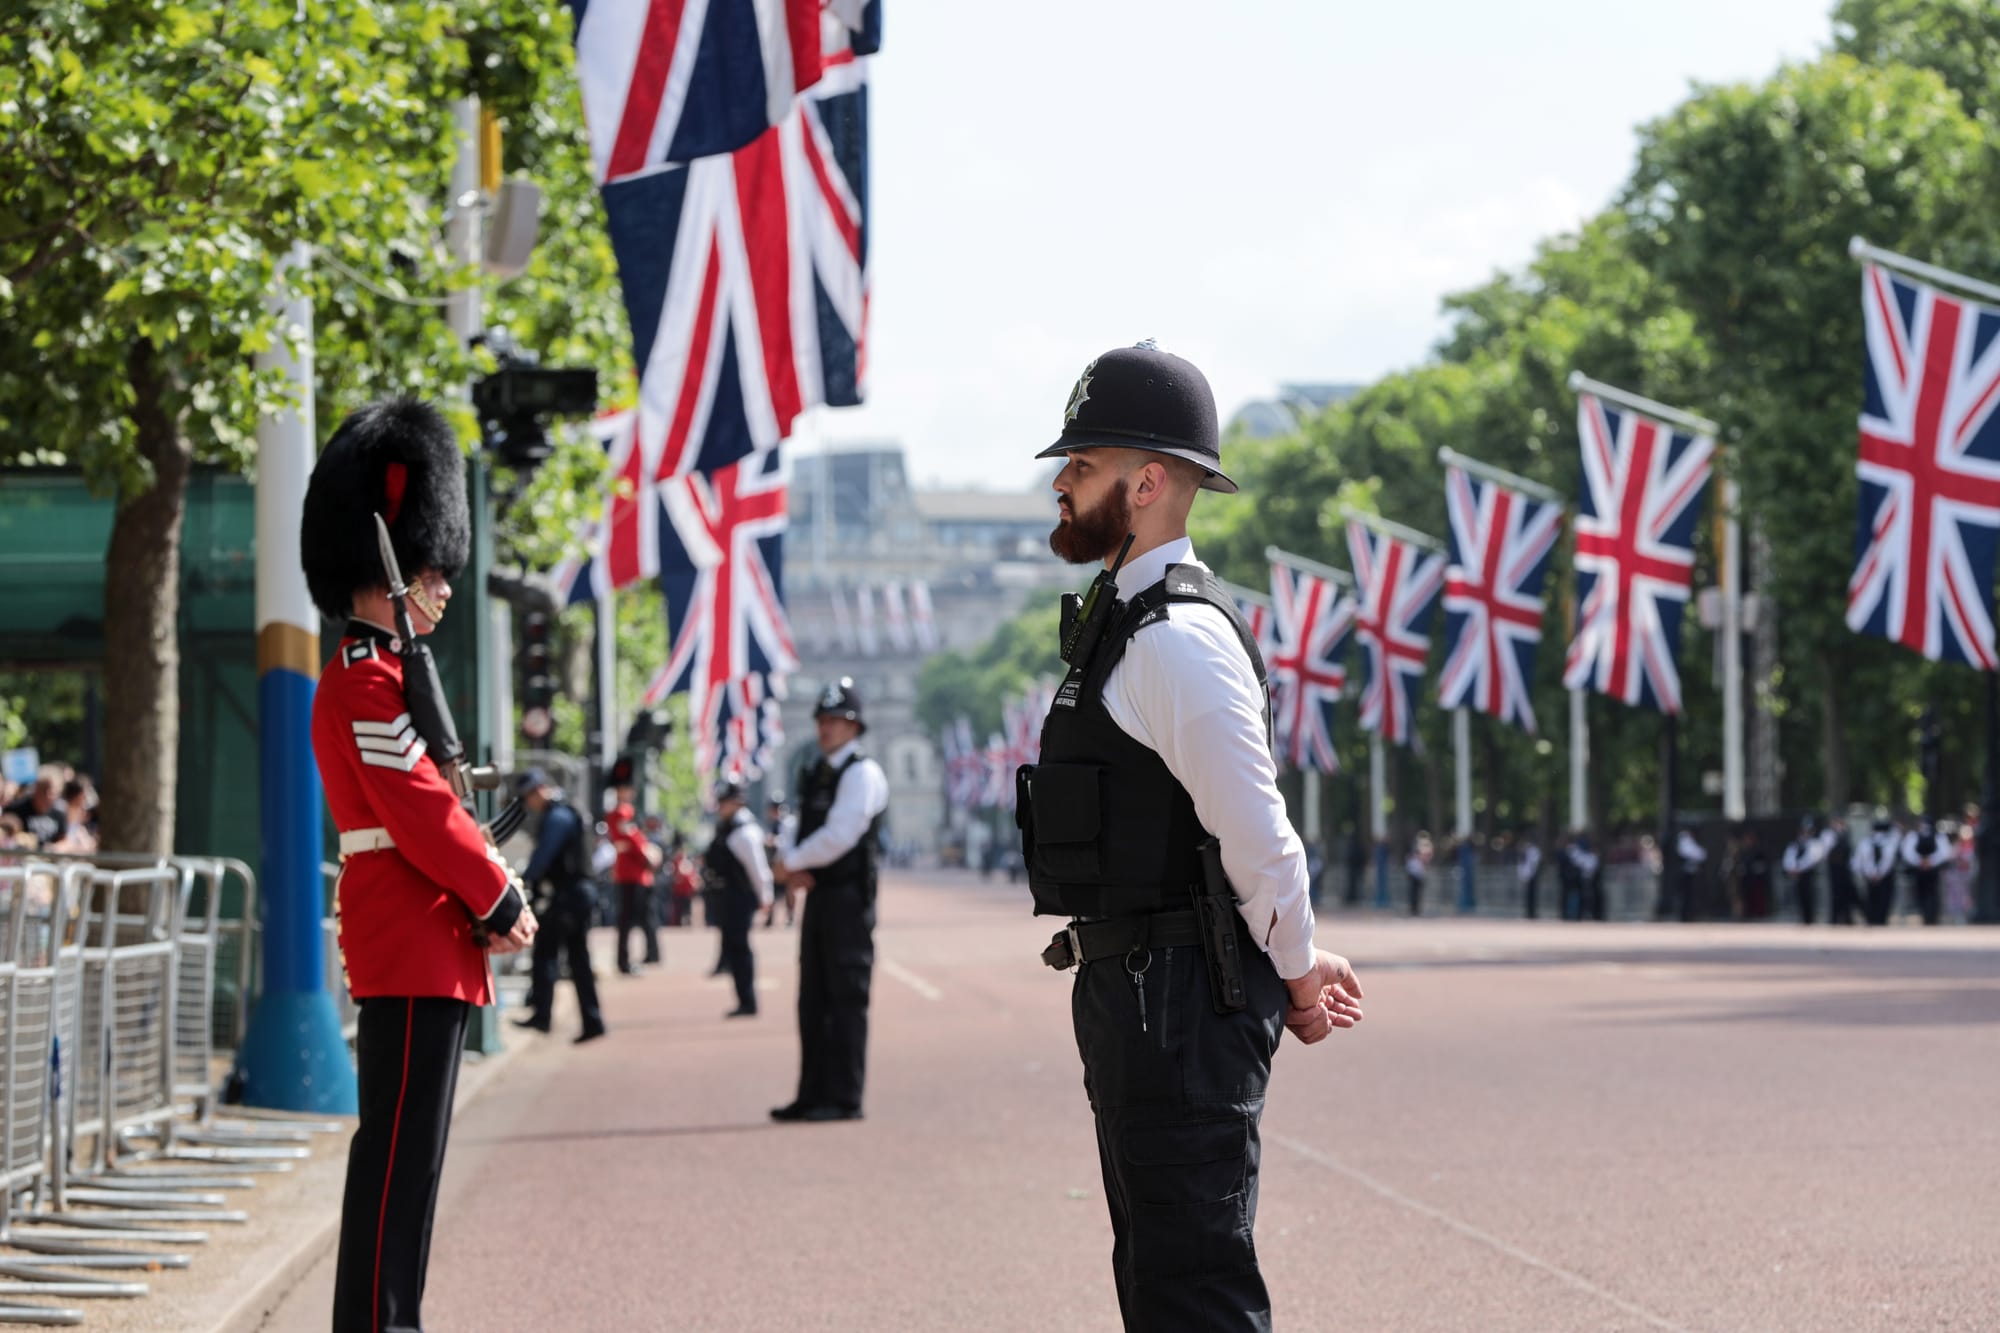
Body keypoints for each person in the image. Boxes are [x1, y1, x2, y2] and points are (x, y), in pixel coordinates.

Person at [1015, 342, 1364, 1331]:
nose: (1062, 484)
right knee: (1161, 1279)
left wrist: (1295, 964)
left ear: (1149, 481)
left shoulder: (1175, 637)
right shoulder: (1125, 623)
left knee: (1193, 1290)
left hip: (1174, 1000)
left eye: (1081, 466)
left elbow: (1257, 832)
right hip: (1140, 994)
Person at [300, 398, 537, 1333]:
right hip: (409, 937)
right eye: (429, 572)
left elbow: (437, 800)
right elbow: (420, 814)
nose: (440, 590)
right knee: (397, 1163)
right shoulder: (363, 678)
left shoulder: (387, 675)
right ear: (383, 574)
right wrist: (497, 891)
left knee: (413, 1167)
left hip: (427, 939)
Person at [769, 679, 890, 1122]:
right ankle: (812, 1092)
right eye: (822, 720)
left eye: (836, 721)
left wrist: (791, 863)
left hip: (847, 900)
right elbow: (802, 826)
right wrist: (790, 862)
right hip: (820, 897)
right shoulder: (815, 771)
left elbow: (841, 834)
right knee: (813, 999)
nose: (826, 728)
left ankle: (843, 1097)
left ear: (854, 726)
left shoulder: (862, 773)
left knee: (845, 998)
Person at [511, 769, 607, 1044]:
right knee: (577, 959)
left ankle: (543, 1015)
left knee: (546, 953)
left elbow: (544, 855)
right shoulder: (566, 810)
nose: (529, 803)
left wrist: (524, 879)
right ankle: (592, 1020)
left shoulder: (558, 815)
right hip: (576, 893)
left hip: (569, 895)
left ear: (538, 790)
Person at [704, 781, 774, 1017]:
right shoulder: (728, 826)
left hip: (739, 897)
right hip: (727, 896)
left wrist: (766, 897)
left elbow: (758, 868)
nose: (721, 807)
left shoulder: (744, 831)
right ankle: (744, 999)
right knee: (733, 948)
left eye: (725, 802)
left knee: (740, 948)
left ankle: (748, 1001)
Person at [605, 777, 660, 974]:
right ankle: (624, 961)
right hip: (629, 875)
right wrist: (647, 852)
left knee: (641, 917)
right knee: (627, 920)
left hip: (637, 874)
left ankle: (649, 954)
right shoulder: (620, 813)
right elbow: (630, 839)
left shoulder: (626, 812)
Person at [1900, 816, 1950, 926]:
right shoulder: (1913, 836)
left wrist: (1928, 862)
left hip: (1932, 871)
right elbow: (1908, 853)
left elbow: (1944, 853)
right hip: (1920, 871)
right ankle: (1927, 916)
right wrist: (1923, 862)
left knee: (1932, 894)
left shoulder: (1938, 836)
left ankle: (1932, 917)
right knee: (1923, 894)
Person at [2, 768, 65, 849]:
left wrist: (55, 848)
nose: (48, 795)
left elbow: (64, 840)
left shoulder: (58, 813)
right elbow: (6, 835)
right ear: (36, 788)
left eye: (53, 792)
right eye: (44, 790)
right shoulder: (16, 809)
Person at [1855, 817, 1901, 925]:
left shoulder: (1865, 842)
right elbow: (1888, 861)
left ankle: (1873, 921)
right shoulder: (1889, 842)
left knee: (1873, 901)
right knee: (1881, 903)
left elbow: (1860, 862)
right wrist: (1878, 874)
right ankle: (1878, 922)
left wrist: (1871, 873)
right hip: (1882, 877)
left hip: (1872, 877)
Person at [762, 792, 799, 928]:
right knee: (771, 888)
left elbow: (789, 842)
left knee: (790, 889)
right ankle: (770, 917)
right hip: (774, 861)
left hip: (787, 860)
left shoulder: (789, 822)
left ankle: (790, 916)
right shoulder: (772, 823)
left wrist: (775, 841)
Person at [1781, 818, 1825, 925]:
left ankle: (1811, 920)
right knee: (1800, 899)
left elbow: (1812, 859)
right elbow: (1788, 859)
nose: (1805, 834)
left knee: (1812, 899)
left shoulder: (1815, 844)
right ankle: (1804, 920)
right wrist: (1792, 869)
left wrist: (1798, 868)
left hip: (1810, 876)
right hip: (1797, 877)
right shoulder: (1795, 844)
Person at [1823, 818, 1859, 926]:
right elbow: (1827, 852)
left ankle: (1848, 918)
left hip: (1845, 871)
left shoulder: (1846, 835)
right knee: (1836, 896)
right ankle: (1835, 919)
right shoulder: (1828, 835)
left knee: (1848, 896)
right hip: (1835, 871)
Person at [1517, 833, 1542, 919]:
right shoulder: (1527, 851)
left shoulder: (1533, 851)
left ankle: (1532, 912)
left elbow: (1533, 863)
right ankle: (1529, 912)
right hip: (1528, 874)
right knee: (1529, 895)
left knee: (1532, 895)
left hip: (1532, 874)